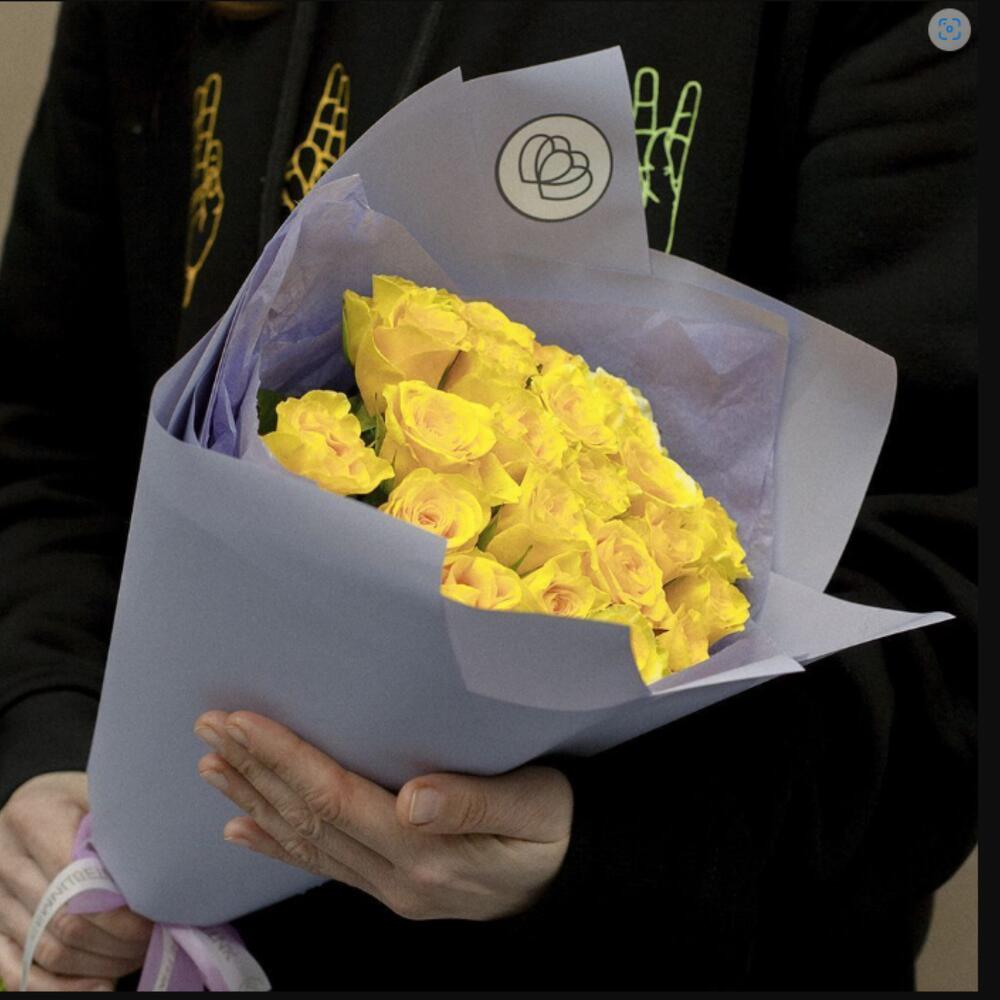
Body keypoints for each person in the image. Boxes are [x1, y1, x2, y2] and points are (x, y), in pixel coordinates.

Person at [0, 0, 976, 990]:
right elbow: (48, 417)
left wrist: (617, 842)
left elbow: (948, 581)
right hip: (177, 938)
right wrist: (50, 742)